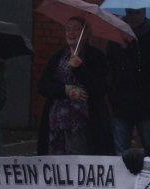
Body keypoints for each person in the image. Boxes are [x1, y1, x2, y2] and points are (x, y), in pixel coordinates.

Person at [37, 17, 113, 156]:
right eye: (68, 29)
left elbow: (101, 87)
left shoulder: (96, 56)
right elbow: (43, 85)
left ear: (85, 33)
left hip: (85, 124)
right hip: (56, 122)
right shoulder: (58, 57)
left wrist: (79, 69)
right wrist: (65, 90)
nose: (71, 33)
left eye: (76, 29)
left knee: (79, 160)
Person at [106, 8, 150, 155]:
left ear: (144, 13)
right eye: (130, 12)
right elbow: (110, 66)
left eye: (137, 12)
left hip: (146, 102)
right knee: (121, 150)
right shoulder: (116, 37)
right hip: (121, 101)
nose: (133, 16)